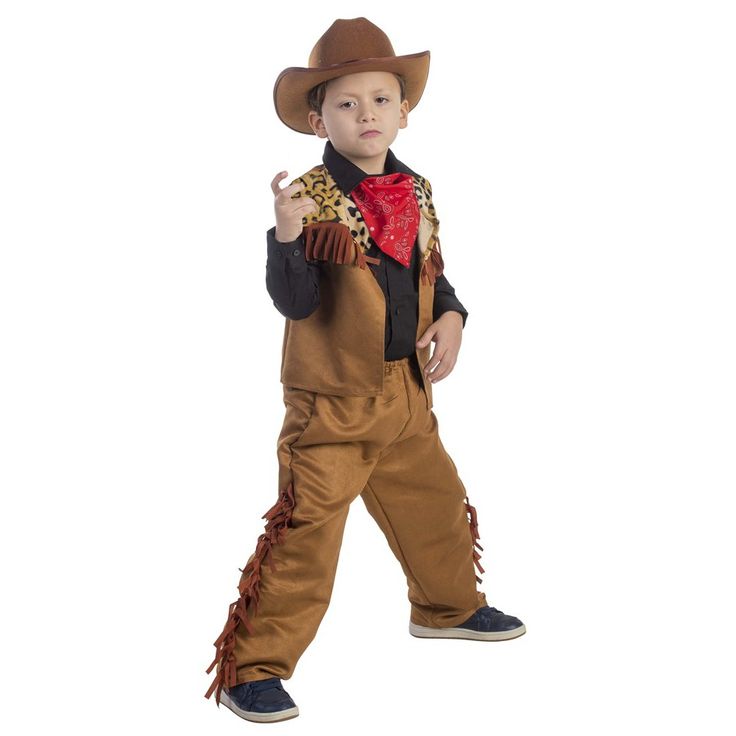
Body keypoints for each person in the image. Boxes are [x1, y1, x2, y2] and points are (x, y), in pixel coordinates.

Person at [204, 17, 526, 724]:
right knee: (305, 534)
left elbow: (426, 272)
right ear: (318, 117)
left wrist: (453, 313)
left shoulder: (417, 190)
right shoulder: (309, 201)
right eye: (348, 104)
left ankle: (446, 607)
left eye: (381, 100)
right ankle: (250, 667)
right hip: (333, 403)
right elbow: (294, 302)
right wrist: (286, 239)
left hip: (406, 393)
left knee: (435, 506)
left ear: (404, 112)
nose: (367, 114)